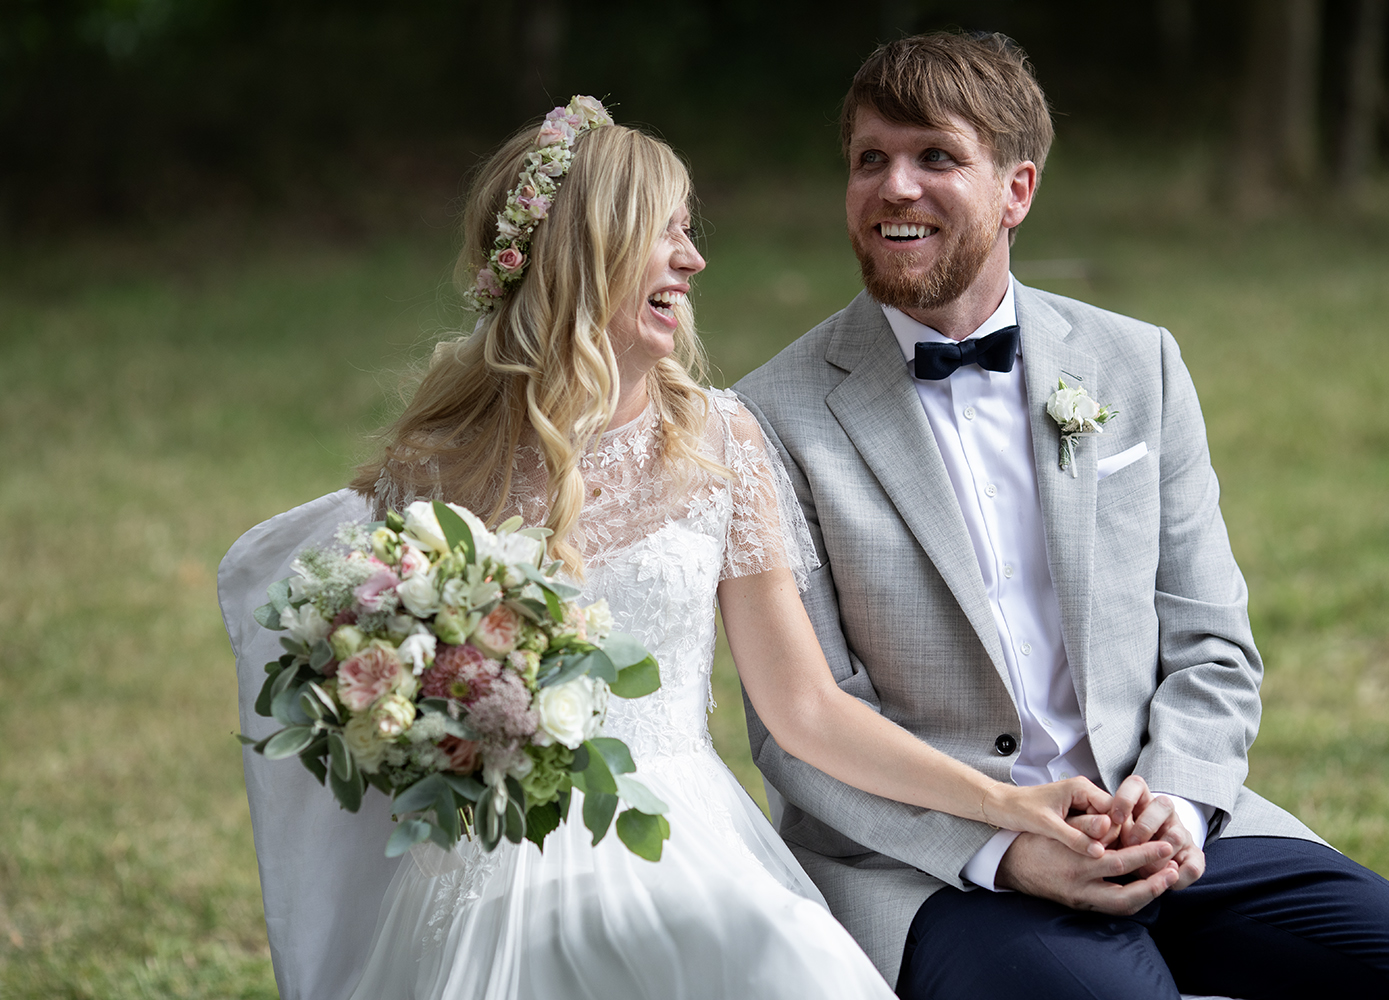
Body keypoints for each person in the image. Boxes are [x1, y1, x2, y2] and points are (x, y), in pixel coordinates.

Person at [219, 98, 1122, 1000]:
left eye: (690, 232)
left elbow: (806, 709)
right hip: (496, 863)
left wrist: (1003, 803)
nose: (694, 260)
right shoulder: (437, 473)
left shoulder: (719, 441)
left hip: (677, 834)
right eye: (666, 233)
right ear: (589, 252)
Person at [733, 32, 1389, 1000]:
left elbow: (1213, 642)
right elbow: (802, 732)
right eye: (869, 159)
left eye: (935, 157)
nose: (895, 187)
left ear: (1017, 190)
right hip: (942, 868)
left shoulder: (1139, 364)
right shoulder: (768, 417)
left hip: (1172, 825)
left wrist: (1177, 801)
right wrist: (1008, 848)